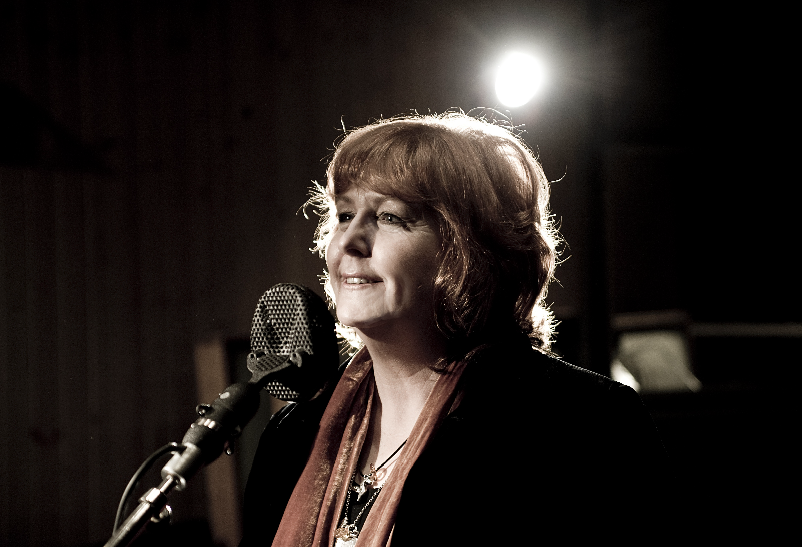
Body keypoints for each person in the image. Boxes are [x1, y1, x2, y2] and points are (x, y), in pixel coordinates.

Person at [239, 111, 673, 546]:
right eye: (345, 214)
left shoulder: (583, 425)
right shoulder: (291, 438)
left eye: (391, 217)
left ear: (470, 252)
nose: (349, 241)